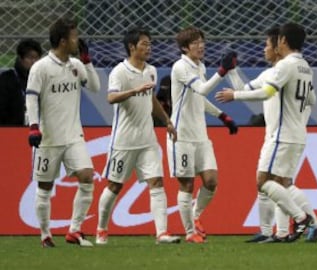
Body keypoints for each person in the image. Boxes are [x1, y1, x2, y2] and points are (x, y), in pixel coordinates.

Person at [216, 22, 317, 242]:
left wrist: (234, 97)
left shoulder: (284, 68)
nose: (264, 48)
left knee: (264, 182)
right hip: (294, 133)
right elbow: (311, 99)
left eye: (267, 44)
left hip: (282, 135)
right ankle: (292, 229)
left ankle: (304, 219)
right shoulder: (304, 67)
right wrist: (232, 70)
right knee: (283, 183)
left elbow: (264, 92)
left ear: (281, 42)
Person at [96, 27, 180, 245]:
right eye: (144, 43)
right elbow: (111, 97)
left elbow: (150, 98)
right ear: (132, 47)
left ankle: (161, 233)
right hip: (124, 141)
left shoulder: (150, 70)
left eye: (149, 43)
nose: (148, 47)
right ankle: (101, 229)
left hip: (147, 140)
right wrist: (134, 90)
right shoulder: (119, 72)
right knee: (114, 186)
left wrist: (167, 121)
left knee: (157, 182)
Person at [26, 17, 100, 248]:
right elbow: (31, 97)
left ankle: (74, 231)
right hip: (48, 138)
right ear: (62, 41)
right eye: (74, 37)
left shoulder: (76, 65)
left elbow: (96, 87)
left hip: (73, 136)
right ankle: (45, 235)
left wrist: (87, 61)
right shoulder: (41, 68)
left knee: (87, 177)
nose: (78, 40)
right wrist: (34, 126)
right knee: (45, 187)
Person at [168, 26, 238, 243]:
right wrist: (222, 72)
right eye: (195, 43)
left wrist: (222, 116)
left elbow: (199, 97)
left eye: (202, 41)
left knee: (211, 181)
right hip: (182, 136)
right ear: (184, 48)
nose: (201, 45)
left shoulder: (200, 66)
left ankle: (195, 216)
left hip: (200, 135)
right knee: (187, 184)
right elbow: (203, 89)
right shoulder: (180, 67)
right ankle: (190, 232)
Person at [0, 39, 42, 126]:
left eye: (37, 58)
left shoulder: (42, 79)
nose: (34, 62)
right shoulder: (7, 79)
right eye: (30, 58)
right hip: (11, 130)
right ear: (20, 58)